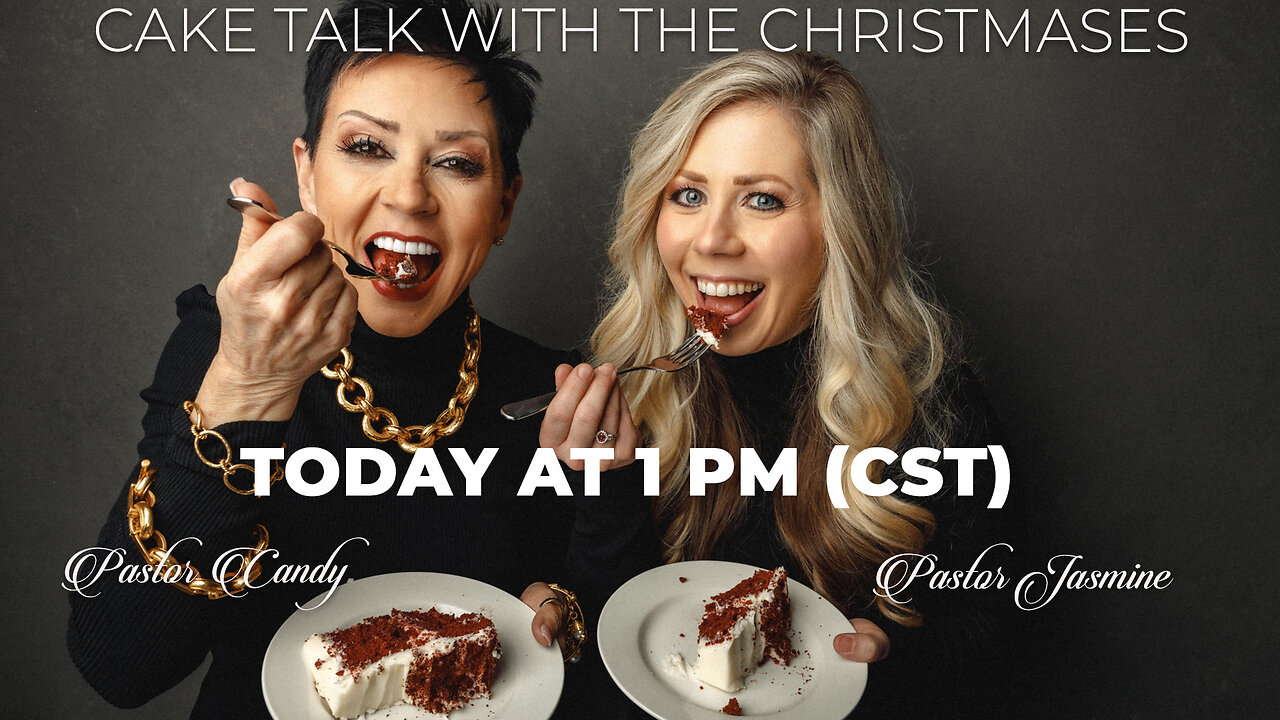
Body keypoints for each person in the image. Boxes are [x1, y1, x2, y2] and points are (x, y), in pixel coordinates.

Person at [66, 1, 650, 717]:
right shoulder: (219, 346)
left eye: (457, 163)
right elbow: (119, 666)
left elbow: (600, 646)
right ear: (306, 175)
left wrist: (568, 595)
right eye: (367, 148)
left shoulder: (551, 391)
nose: (408, 197)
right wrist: (249, 386)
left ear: (503, 207)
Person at [539, 50, 1019, 715]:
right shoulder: (618, 396)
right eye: (687, 194)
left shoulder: (940, 415)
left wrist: (895, 659)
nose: (712, 240)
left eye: (762, 200)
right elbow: (600, 667)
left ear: (840, 227)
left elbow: (990, 655)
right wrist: (608, 488)